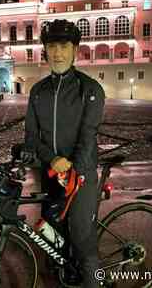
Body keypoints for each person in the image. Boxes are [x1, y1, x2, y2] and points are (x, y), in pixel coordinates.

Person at [23, 19, 105, 288]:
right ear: (45, 50)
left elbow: (87, 136)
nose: (57, 53)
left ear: (75, 50)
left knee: (83, 243)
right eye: (51, 46)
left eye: (64, 45)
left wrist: (73, 169)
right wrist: (52, 160)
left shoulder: (90, 89)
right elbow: (32, 137)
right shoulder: (37, 91)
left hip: (80, 177)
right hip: (50, 175)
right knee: (51, 241)